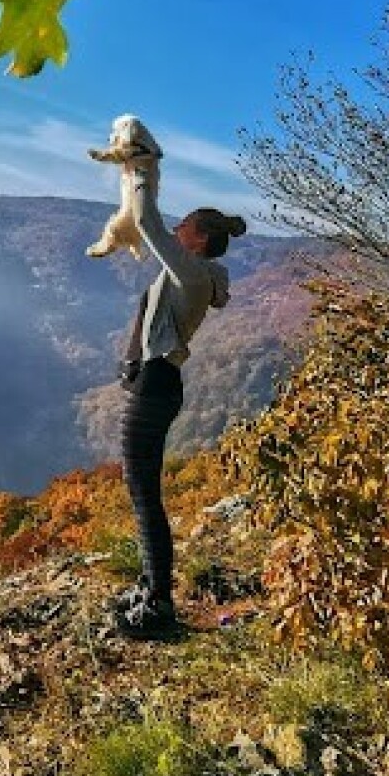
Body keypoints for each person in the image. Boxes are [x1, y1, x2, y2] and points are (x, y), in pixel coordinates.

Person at [115, 158, 246, 639]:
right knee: (141, 488)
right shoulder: (191, 274)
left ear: (200, 240)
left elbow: (148, 223)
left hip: (157, 385)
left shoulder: (191, 273)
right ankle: (152, 589)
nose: (176, 229)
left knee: (143, 492)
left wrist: (139, 171)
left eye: (184, 227)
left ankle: (158, 601)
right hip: (157, 381)